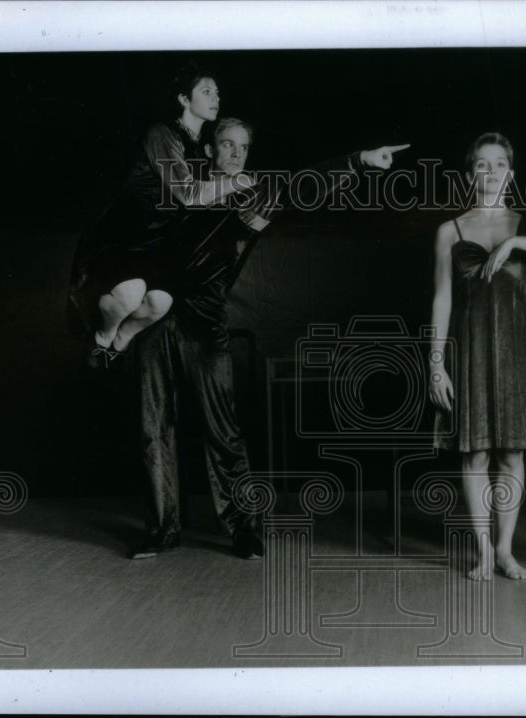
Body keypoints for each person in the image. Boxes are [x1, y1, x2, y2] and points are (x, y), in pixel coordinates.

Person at [129, 110, 409, 560]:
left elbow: (305, 183)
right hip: (153, 317)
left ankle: (242, 527)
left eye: (244, 147)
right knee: (152, 425)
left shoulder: (256, 194)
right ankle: (162, 530)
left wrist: (358, 161)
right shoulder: (179, 191)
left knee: (224, 430)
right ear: (209, 150)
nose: (237, 154)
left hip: (205, 322)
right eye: (228, 145)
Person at [429, 132, 526, 581]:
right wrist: (435, 364)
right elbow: (442, 301)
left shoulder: (525, 224)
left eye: (499, 163)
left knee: (513, 454)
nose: (490, 170)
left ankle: (505, 551)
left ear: (510, 173)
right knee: (474, 454)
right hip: (470, 350)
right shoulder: (449, 231)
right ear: (470, 171)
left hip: (517, 349)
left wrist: (516, 244)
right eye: (482, 163)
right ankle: (480, 552)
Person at [67, 62, 251, 369]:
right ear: (184, 99)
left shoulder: (197, 148)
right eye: (206, 92)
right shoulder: (162, 134)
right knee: (130, 293)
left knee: (160, 303)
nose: (215, 98)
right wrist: (237, 182)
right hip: (123, 237)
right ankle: (102, 337)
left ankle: (122, 339)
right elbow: (189, 195)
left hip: (158, 244)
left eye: (217, 92)